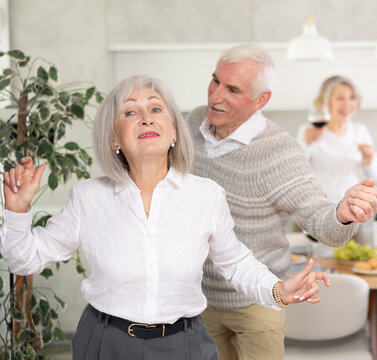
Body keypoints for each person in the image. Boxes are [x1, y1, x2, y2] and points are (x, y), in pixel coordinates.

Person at [0, 75, 332, 360]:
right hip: (105, 343)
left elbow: (235, 264)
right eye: (130, 111)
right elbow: (24, 260)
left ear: (173, 131)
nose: (145, 118)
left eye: (156, 108)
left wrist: (277, 289)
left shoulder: (206, 195)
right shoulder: (89, 198)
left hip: (185, 345)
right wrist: (16, 210)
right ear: (114, 138)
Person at [186, 45, 377, 359]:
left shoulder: (279, 150)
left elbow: (320, 220)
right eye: (215, 81)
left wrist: (342, 214)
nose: (215, 96)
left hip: (257, 302)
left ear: (261, 100)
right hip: (197, 299)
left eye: (232, 89)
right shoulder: (191, 124)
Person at [298, 75, 377, 202]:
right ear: (327, 102)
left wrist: (370, 160)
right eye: (340, 98)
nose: (347, 104)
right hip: (317, 211)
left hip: (351, 212)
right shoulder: (309, 131)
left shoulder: (360, 132)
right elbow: (294, 174)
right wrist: (306, 145)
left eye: (352, 98)